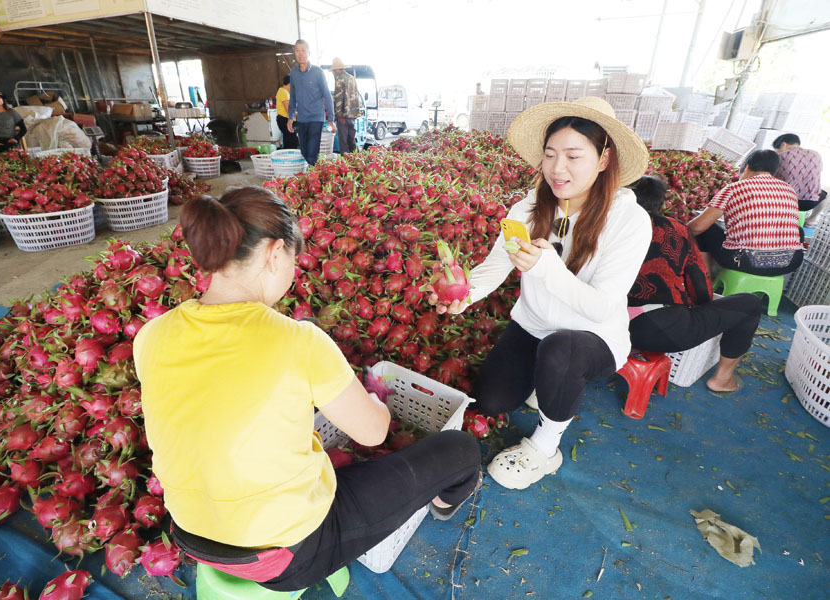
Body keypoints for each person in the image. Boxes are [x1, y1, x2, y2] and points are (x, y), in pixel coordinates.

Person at [133, 187, 481, 592]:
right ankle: (440, 505)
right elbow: (374, 433)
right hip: (286, 556)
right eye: (293, 261)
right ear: (275, 252)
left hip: (190, 536)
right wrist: (376, 395)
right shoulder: (299, 341)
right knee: (461, 450)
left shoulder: (151, 334)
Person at [430, 97, 652, 490]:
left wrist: (548, 267)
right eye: (550, 155)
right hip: (532, 327)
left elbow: (601, 308)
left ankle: (546, 448)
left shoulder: (630, 221)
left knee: (561, 353)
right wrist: (465, 294)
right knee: (495, 400)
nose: (557, 168)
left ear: (603, 159)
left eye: (573, 155)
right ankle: (546, 382)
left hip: (591, 337)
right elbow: (498, 266)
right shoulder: (528, 209)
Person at [627, 176, 761, 393]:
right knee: (751, 304)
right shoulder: (675, 228)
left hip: (604, 325)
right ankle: (722, 379)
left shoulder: (604, 224)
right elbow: (698, 283)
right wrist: (701, 309)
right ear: (660, 204)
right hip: (659, 329)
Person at [689, 149, 803, 277]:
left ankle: (705, 281)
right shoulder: (789, 190)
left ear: (747, 167)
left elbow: (698, 227)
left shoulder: (734, 188)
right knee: (797, 229)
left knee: (704, 230)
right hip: (790, 262)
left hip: (747, 261)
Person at [287, 39, 335, 166]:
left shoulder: (317, 72)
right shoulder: (293, 73)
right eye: (297, 50)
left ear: (309, 52)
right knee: (304, 152)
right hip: (302, 119)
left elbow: (327, 95)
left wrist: (331, 118)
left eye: (303, 50)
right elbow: (293, 97)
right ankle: (316, 174)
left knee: (312, 153)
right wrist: (290, 117)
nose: (300, 53)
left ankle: (313, 179)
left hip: (316, 118)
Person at [772, 133, 825, 227]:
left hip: (784, 202)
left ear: (784, 144)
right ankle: (811, 220)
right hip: (810, 203)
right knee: (826, 194)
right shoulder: (816, 154)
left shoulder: (780, 156)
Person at [330, 57, 362, 154]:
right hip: (353, 115)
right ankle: (357, 160)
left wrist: (339, 116)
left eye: (333, 71)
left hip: (343, 116)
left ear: (336, 70)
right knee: (351, 141)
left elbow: (339, 98)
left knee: (343, 144)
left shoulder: (339, 79)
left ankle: (346, 164)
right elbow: (356, 96)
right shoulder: (352, 78)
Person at [275, 75, 298, 150]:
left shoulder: (286, 92)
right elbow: (289, 110)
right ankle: (290, 159)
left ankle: (288, 158)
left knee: (290, 140)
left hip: (287, 120)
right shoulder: (283, 92)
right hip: (284, 120)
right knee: (291, 142)